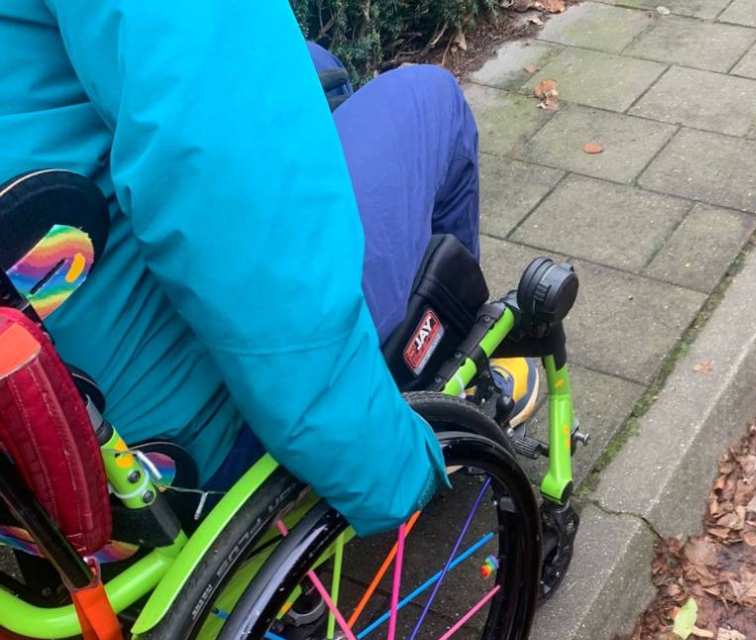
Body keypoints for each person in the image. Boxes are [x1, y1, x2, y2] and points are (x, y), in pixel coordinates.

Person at [0, 1, 537, 536]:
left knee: (315, 67)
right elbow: (232, 204)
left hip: (35, 399)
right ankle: (438, 387)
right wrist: (385, 463)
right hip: (168, 440)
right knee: (427, 98)